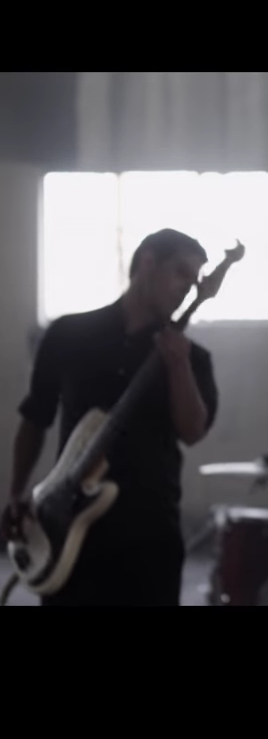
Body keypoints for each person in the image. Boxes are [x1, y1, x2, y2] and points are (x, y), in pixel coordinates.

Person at [1, 229, 219, 606]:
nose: (188, 287)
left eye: (195, 279)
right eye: (181, 272)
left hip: (150, 539)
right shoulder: (67, 335)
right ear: (148, 263)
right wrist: (16, 493)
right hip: (65, 530)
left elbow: (193, 431)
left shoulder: (192, 358)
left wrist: (178, 366)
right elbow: (35, 417)